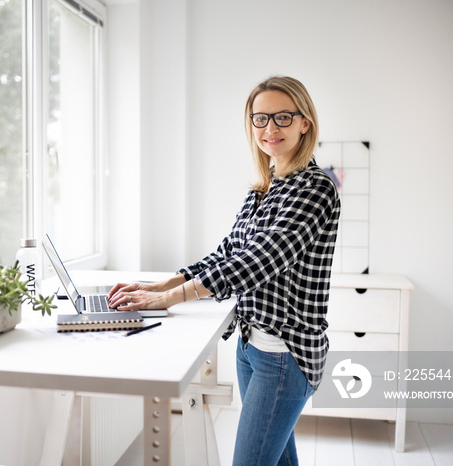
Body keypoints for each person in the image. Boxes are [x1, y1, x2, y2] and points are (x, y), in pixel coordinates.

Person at [108, 75, 340, 465]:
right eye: (260, 118)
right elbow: (228, 252)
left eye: (283, 117)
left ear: (305, 123)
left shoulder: (316, 187)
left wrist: (169, 298)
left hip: (285, 353)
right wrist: (161, 283)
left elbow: (259, 261)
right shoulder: (263, 188)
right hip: (251, 347)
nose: (270, 128)